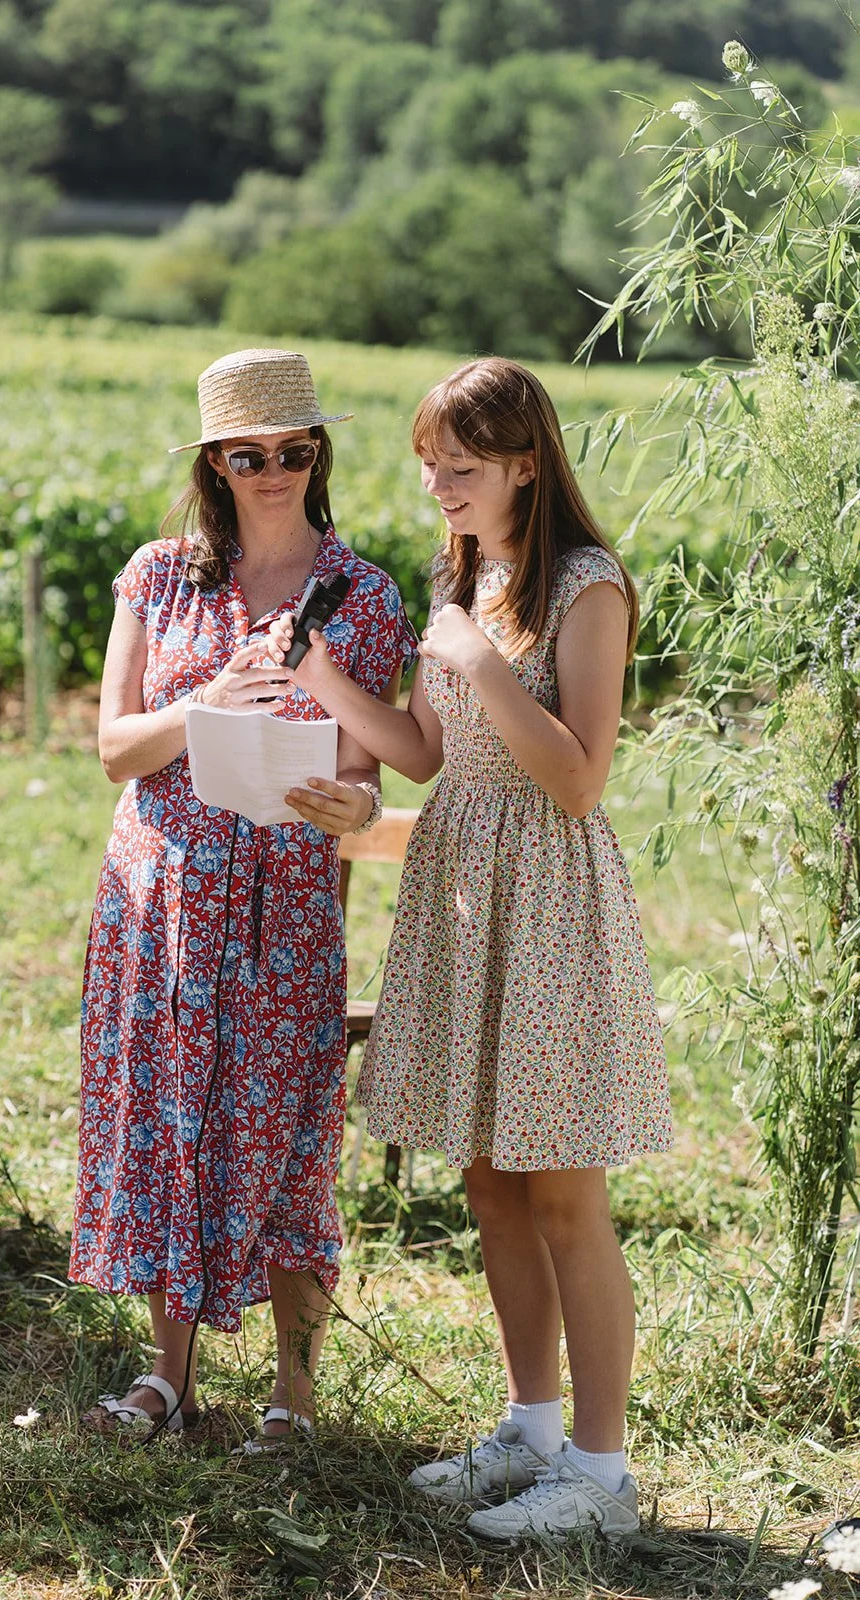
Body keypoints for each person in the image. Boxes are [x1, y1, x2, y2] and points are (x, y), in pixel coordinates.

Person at [269, 357, 671, 1537]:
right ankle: (532, 1431)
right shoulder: (469, 577)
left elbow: (575, 777)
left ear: (526, 460)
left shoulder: (583, 587)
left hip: (545, 904)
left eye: (461, 463)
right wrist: (323, 684)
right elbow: (426, 756)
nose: (438, 483)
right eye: (429, 464)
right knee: (491, 1184)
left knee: (562, 1195)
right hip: (461, 891)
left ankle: (600, 1477)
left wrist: (479, 659)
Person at [71, 348, 416, 1447]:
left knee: (289, 1131)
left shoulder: (363, 596)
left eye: (293, 450)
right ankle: (165, 1375)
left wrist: (347, 805)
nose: (271, 469)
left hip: (287, 898)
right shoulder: (159, 574)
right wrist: (208, 701)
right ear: (215, 462)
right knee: (170, 1122)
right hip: (161, 893)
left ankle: (293, 1393)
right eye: (247, 452)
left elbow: (374, 768)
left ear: (317, 456)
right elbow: (114, 746)